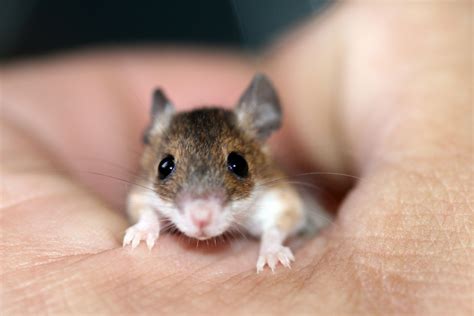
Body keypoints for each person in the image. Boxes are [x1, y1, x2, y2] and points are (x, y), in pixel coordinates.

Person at [1, 2, 471, 314]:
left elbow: (283, 210)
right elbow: (141, 202)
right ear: (154, 149)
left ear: (259, 137)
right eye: (168, 169)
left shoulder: (269, 191)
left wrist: (272, 242)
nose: (201, 215)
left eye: (235, 166)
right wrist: (146, 224)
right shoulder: (154, 192)